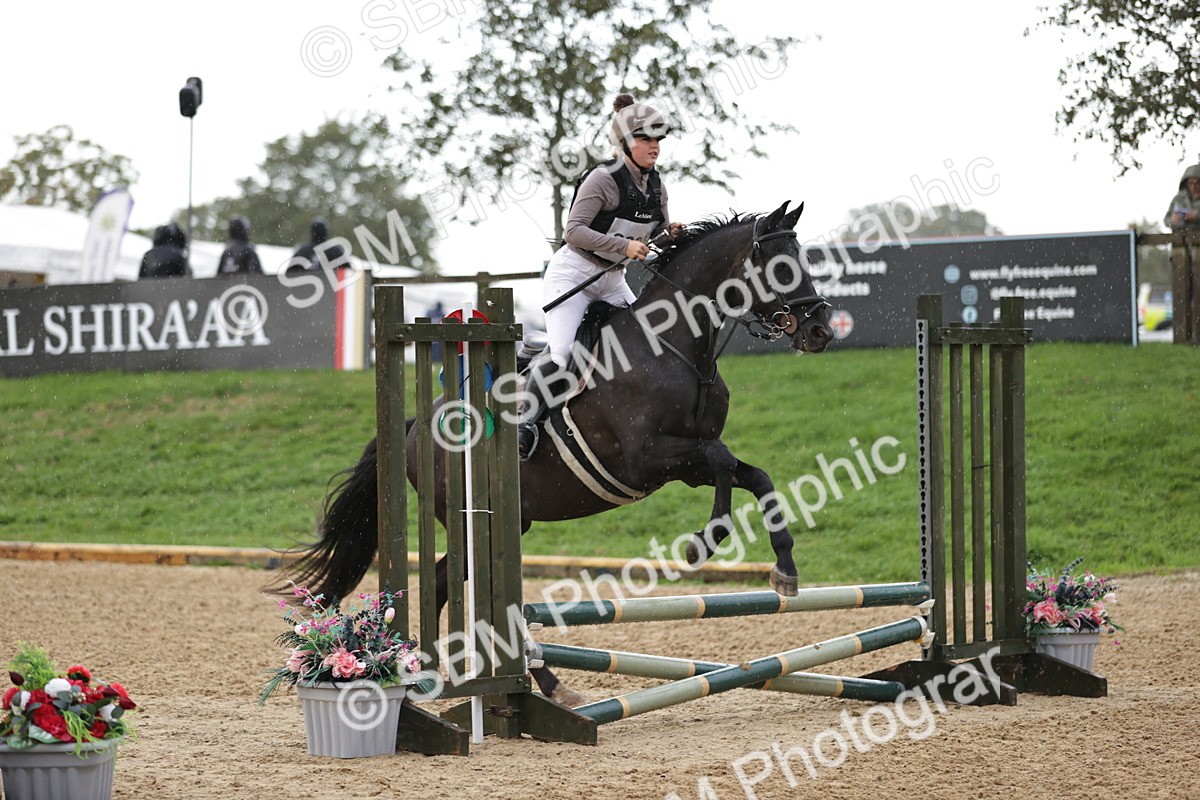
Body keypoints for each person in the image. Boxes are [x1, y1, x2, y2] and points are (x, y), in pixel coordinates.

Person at [517, 93, 684, 460]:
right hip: (573, 275)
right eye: (645, 139)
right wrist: (624, 246)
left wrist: (669, 234)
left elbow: (653, 233)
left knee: (648, 338)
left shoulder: (657, 186)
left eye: (658, 139)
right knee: (562, 353)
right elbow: (573, 231)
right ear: (624, 143)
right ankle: (524, 422)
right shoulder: (602, 180)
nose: (654, 146)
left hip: (612, 280)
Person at [1164, 164, 1200, 229]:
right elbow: (1166, 220)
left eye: (1196, 183)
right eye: (1190, 183)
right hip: (1181, 234)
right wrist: (1172, 220)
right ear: (1186, 183)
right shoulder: (1178, 199)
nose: (1193, 186)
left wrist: (1197, 217)